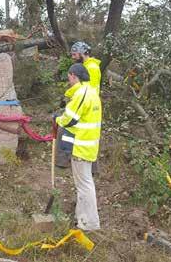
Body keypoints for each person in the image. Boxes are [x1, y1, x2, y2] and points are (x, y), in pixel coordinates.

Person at [54, 64, 102, 231]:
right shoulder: (93, 93)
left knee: (84, 185)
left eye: (69, 77)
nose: (69, 80)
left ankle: (90, 223)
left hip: (81, 146)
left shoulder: (82, 93)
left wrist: (57, 119)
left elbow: (70, 118)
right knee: (84, 184)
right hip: (89, 145)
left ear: (73, 76)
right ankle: (81, 219)